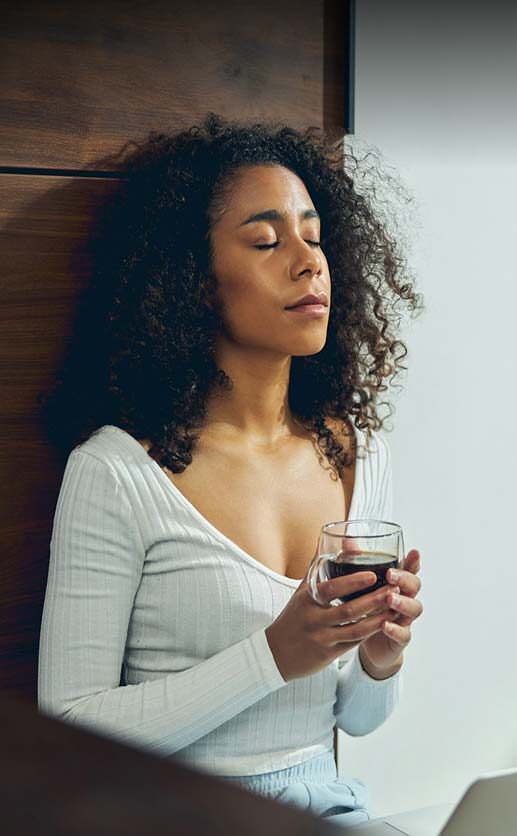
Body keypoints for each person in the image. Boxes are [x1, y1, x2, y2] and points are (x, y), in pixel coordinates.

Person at [37, 112, 425, 827]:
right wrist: (273, 655)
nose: (308, 262)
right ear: (195, 280)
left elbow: (359, 721)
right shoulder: (117, 472)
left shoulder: (357, 453)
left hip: (324, 807)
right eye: (266, 241)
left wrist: (379, 656)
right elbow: (70, 728)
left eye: (313, 236)